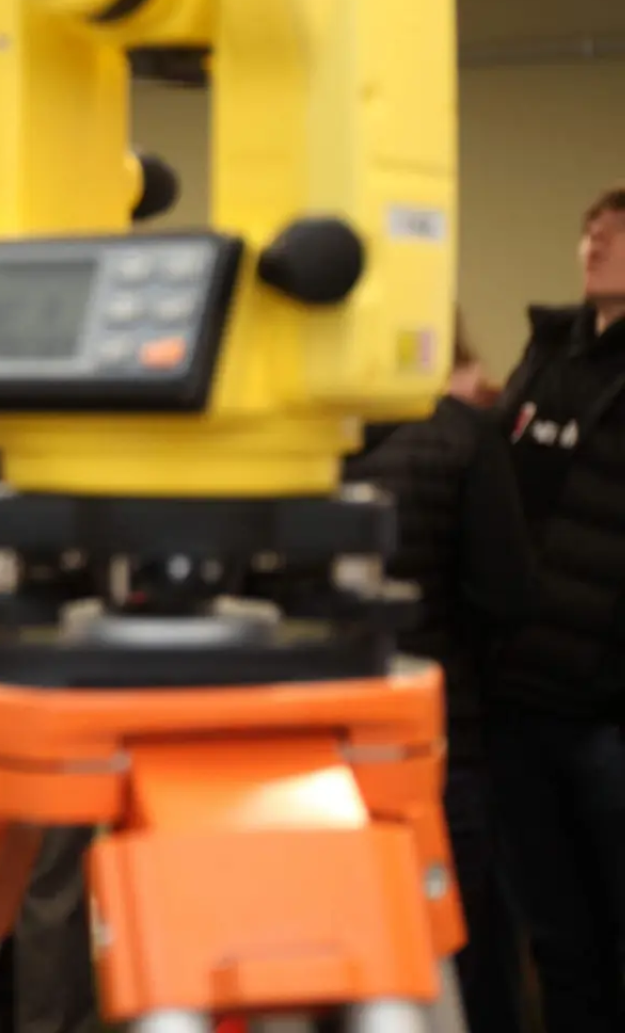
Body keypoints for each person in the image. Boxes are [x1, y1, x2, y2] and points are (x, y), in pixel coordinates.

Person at [345, 312, 531, 1033]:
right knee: (456, 944)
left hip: (308, 740)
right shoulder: (463, 436)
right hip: (435, 734)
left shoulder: (287, 444)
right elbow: (504, 595)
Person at [487, 184, 625, 1033]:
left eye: (616, 230)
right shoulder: (546, 353)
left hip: (610, 708)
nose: (595, 242)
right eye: (589, 230)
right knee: (556, 931)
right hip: (522, 694)